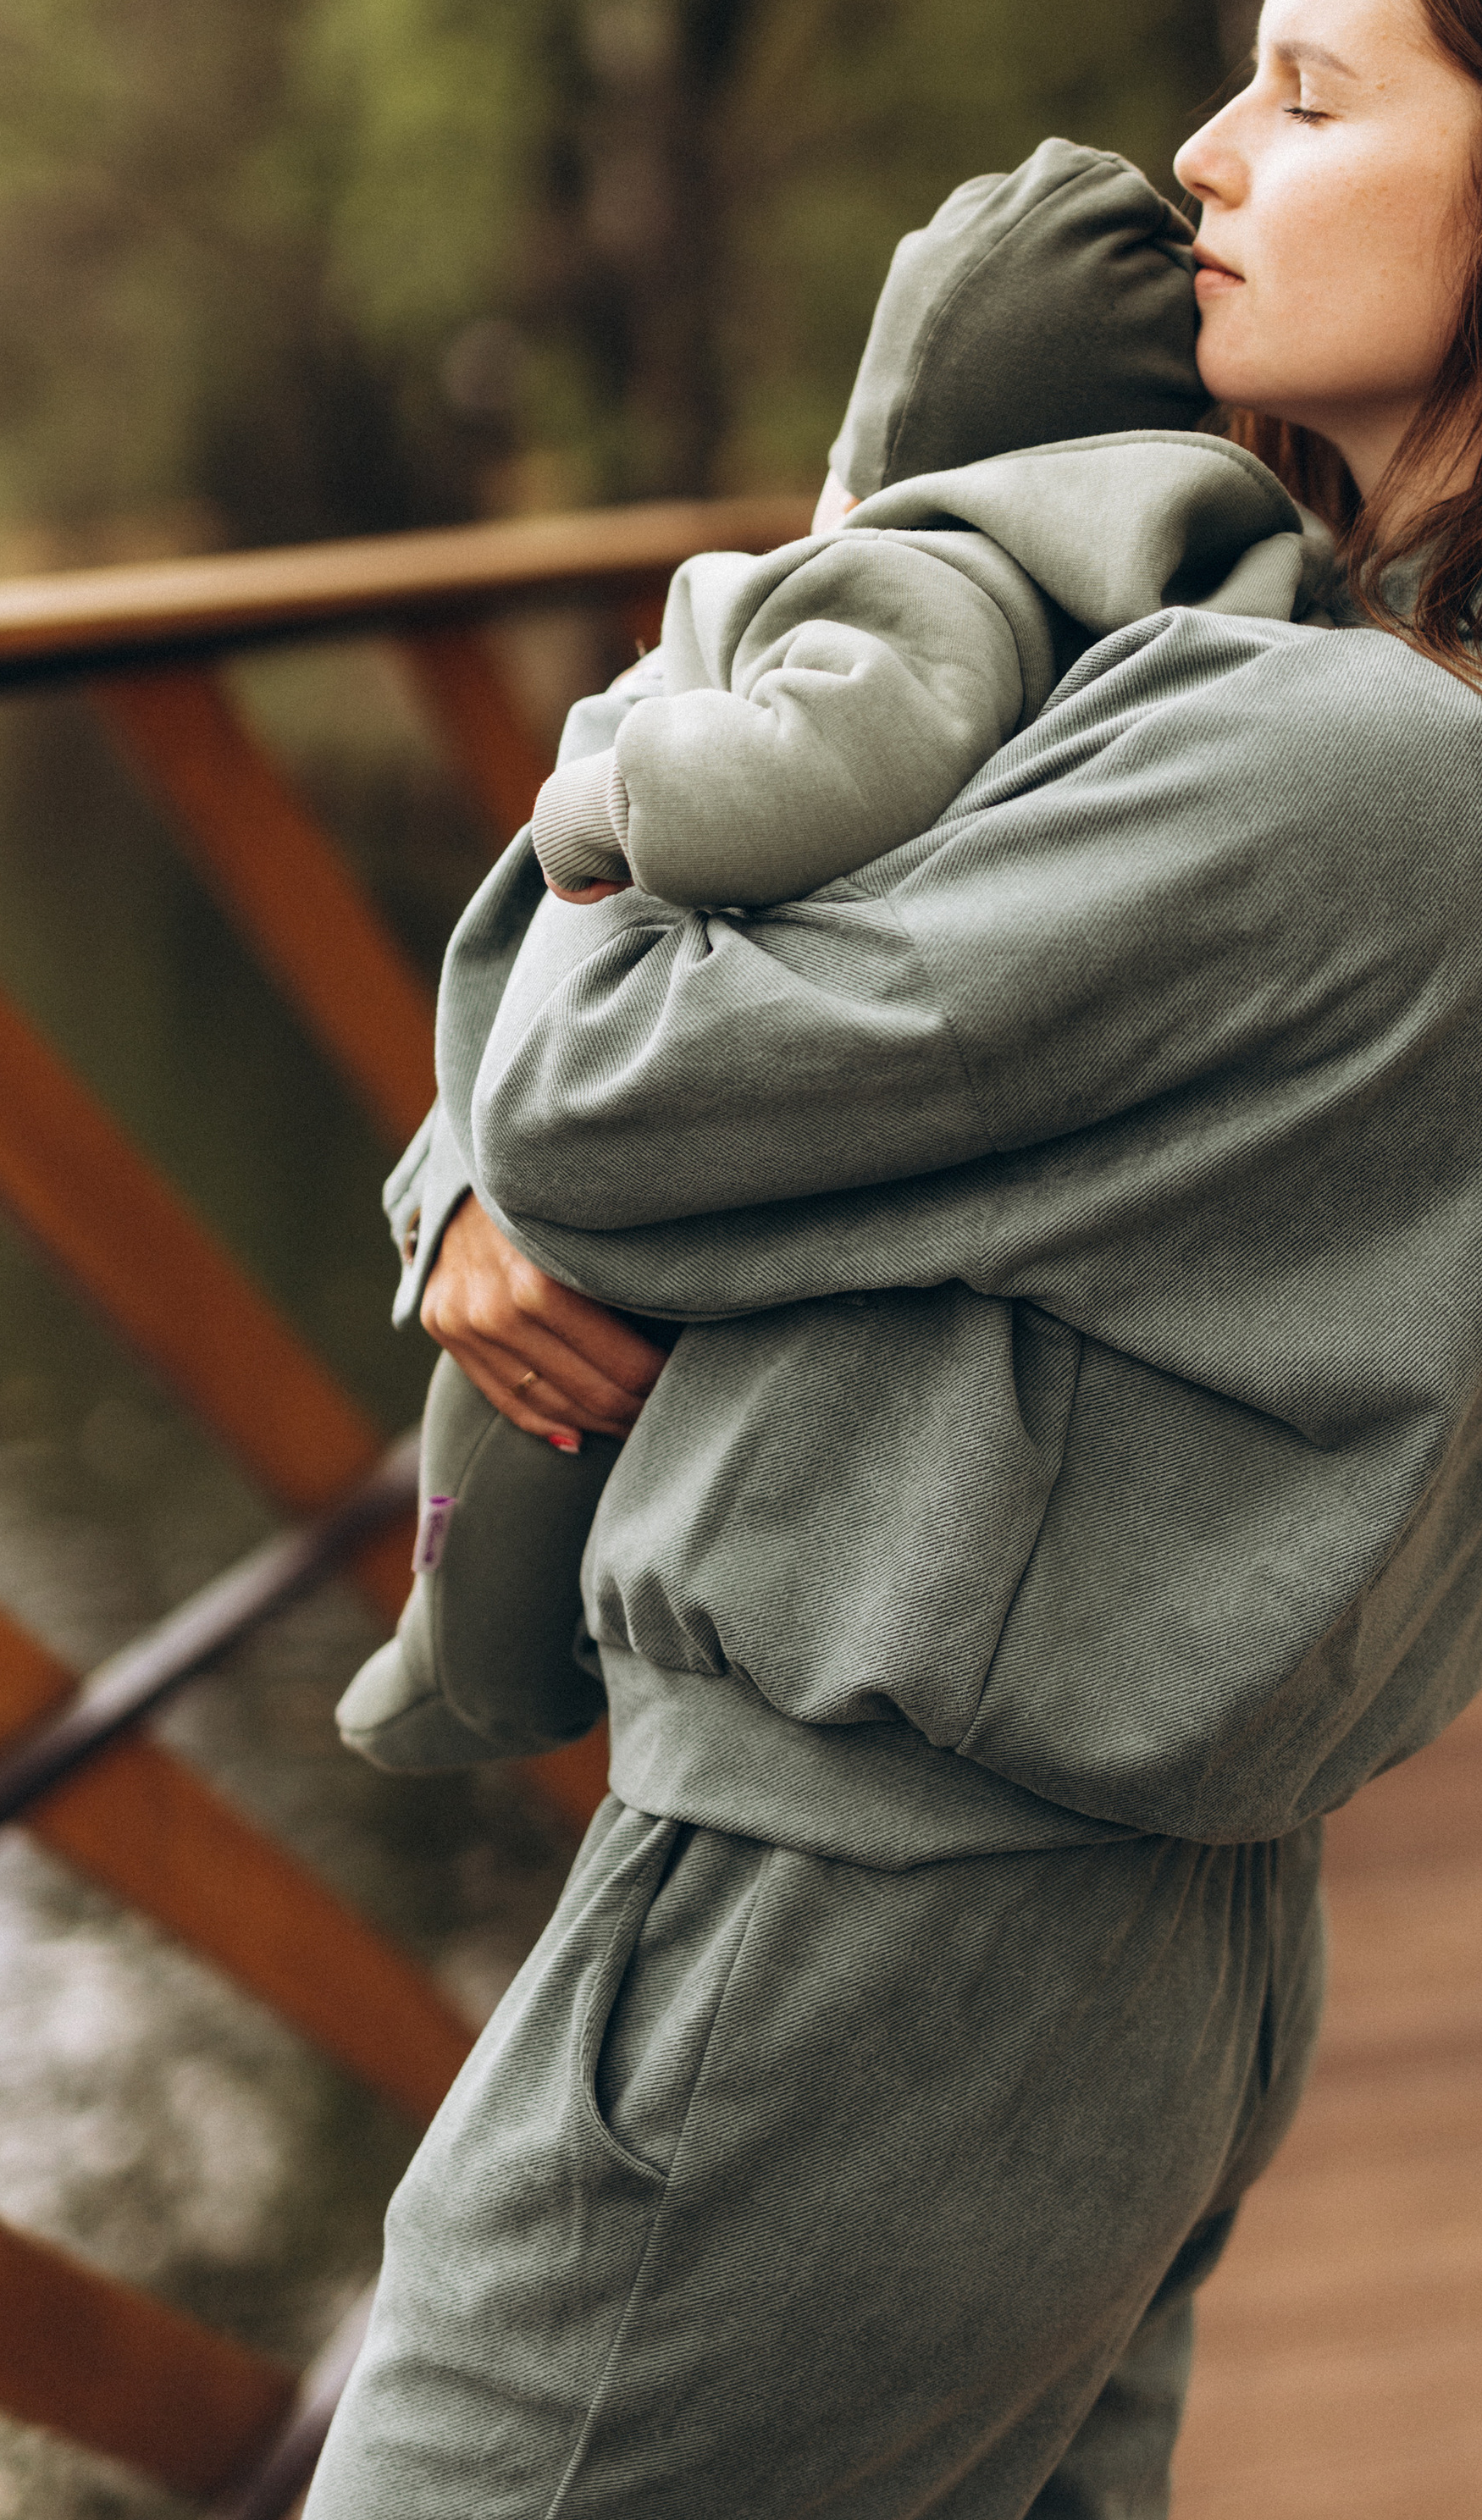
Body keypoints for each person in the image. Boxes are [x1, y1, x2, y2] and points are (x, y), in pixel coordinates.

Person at [309, 0, 1482, 2520]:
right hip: (1083, 1961)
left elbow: (599, 1085)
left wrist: (848, 526)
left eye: (1311, 97)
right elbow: (621, 1111)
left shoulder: (1338, 771)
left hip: (851, 1953)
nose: (1200, 161)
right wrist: (479, 1178)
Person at [335, 139, 1330, 1774]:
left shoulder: (925, 582)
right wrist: (453, 1177)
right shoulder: (1167, 618)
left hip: (720, 1229)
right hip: (708, 1163)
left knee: (525, 1428)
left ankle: (472, 1662)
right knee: (538, 1387)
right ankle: (462, 1650)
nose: (1229, 143)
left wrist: (613, 800)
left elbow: (820, 763)